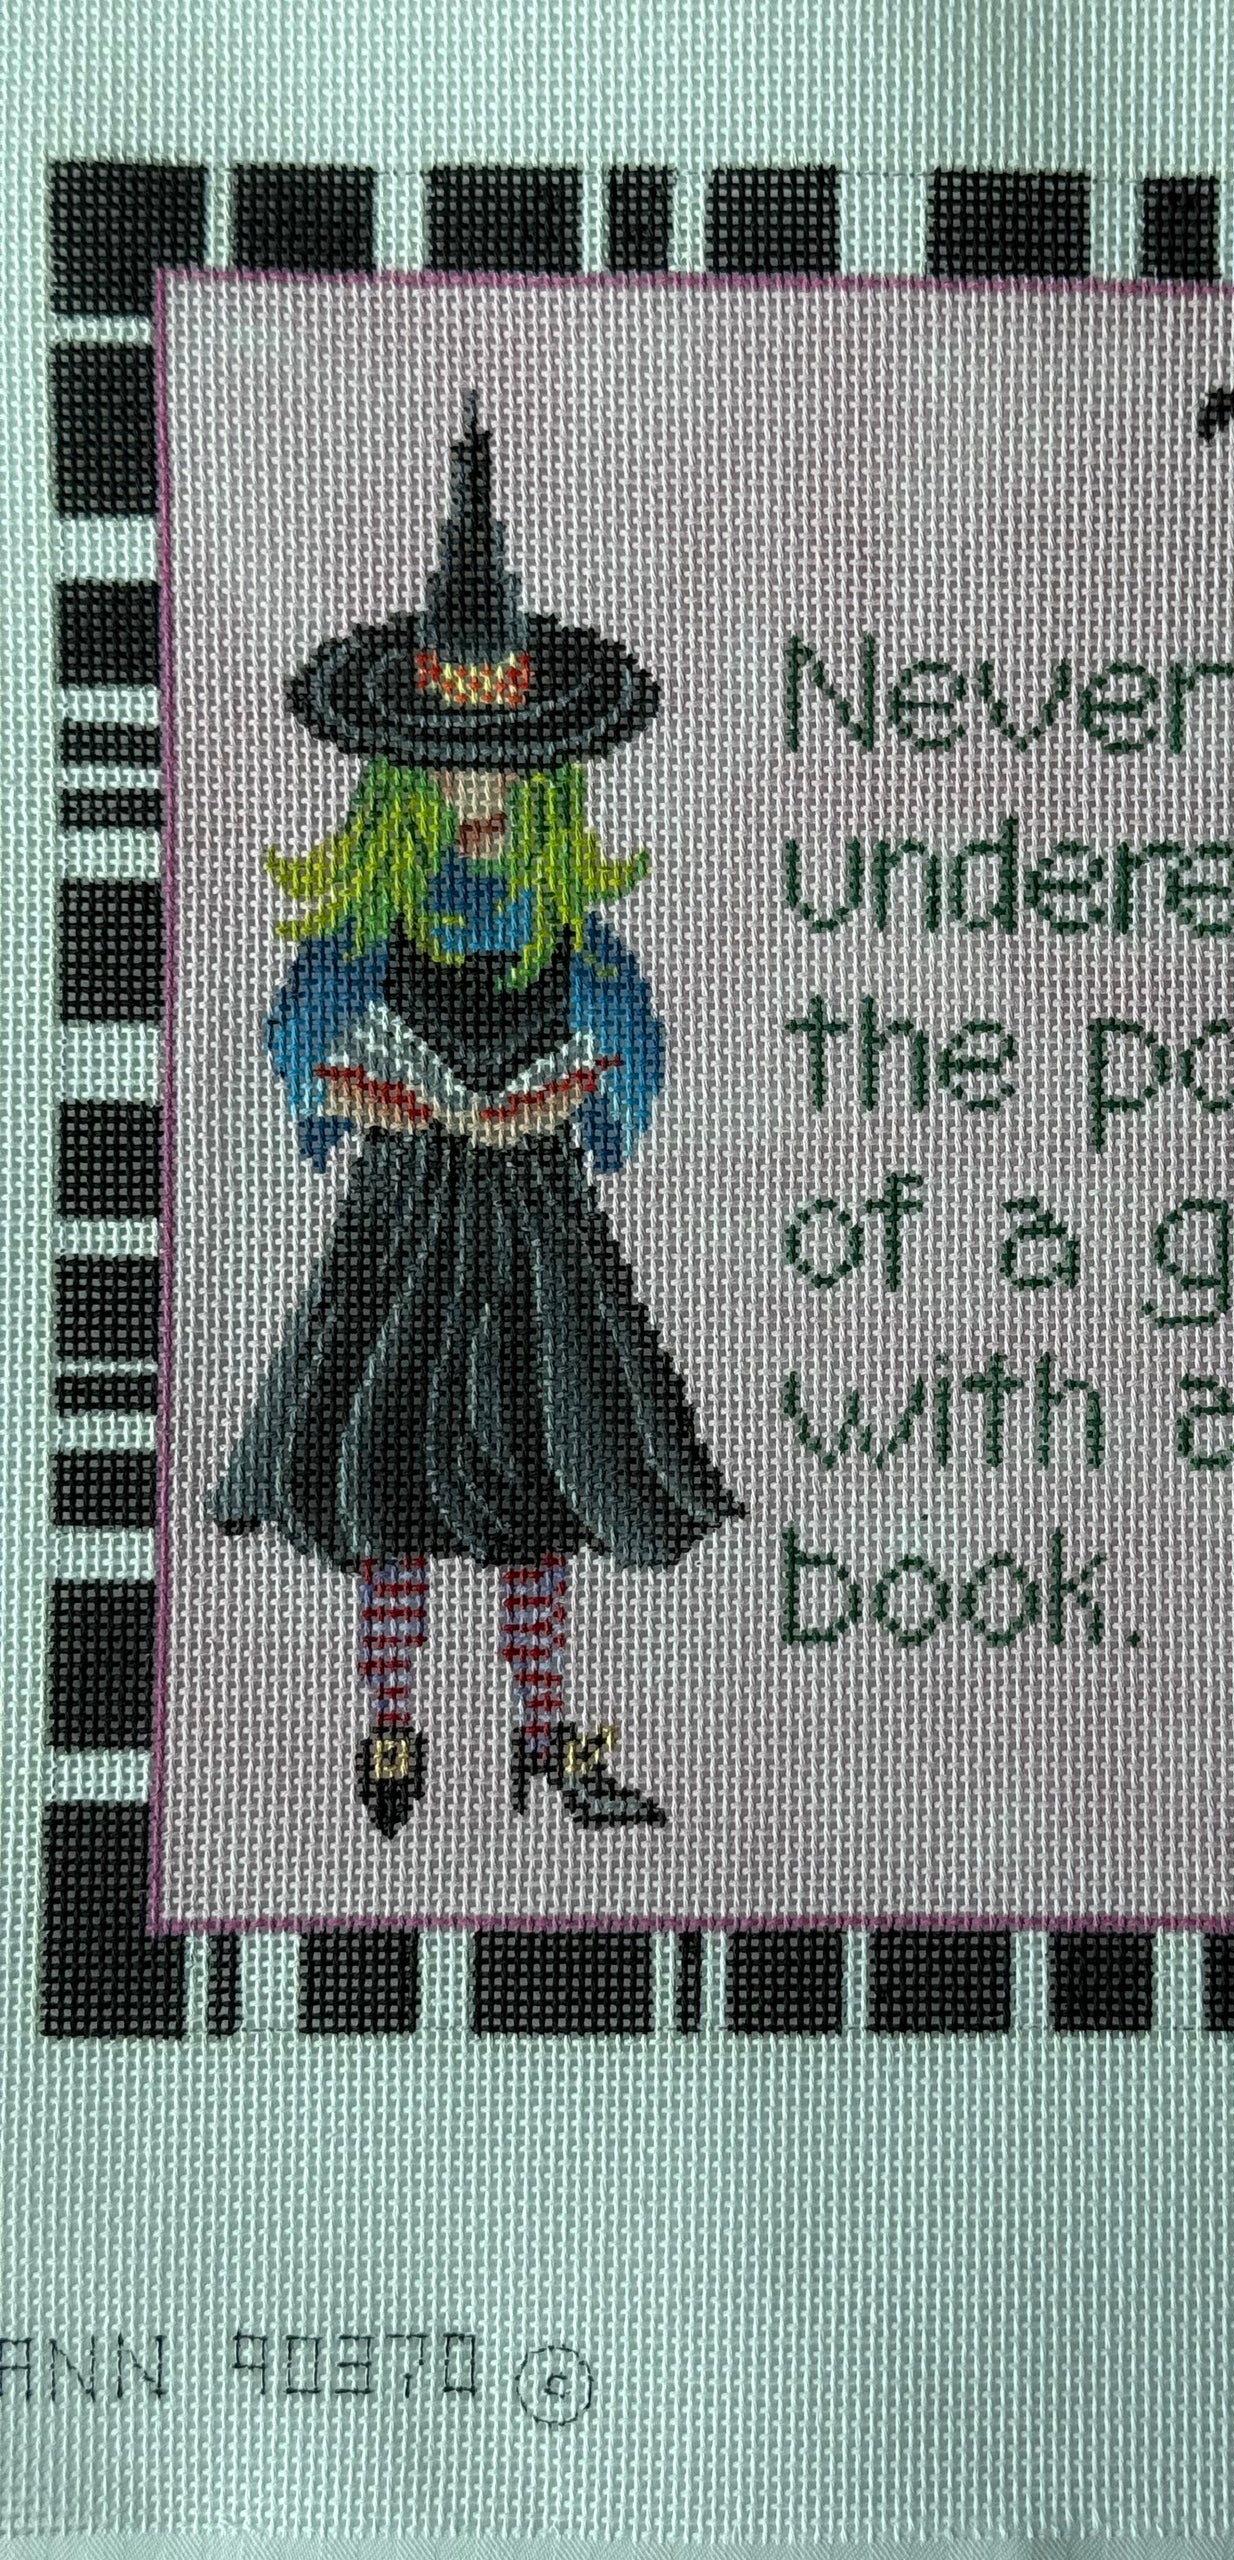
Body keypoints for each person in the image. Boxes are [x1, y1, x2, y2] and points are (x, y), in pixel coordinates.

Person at [211, 396, 744, 1840]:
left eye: (503, 767)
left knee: (536, 1470)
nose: (479, 792)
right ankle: (390, 1723)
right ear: (402, 780)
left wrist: (552, 1096)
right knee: (393, 1463)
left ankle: (545, 1732)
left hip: (530, 1215)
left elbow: (624, 1054)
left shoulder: (566, 932)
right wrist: (388, 1094)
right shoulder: (374, 931)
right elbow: (307, 1049)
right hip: (407, 1214)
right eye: (452, 767)